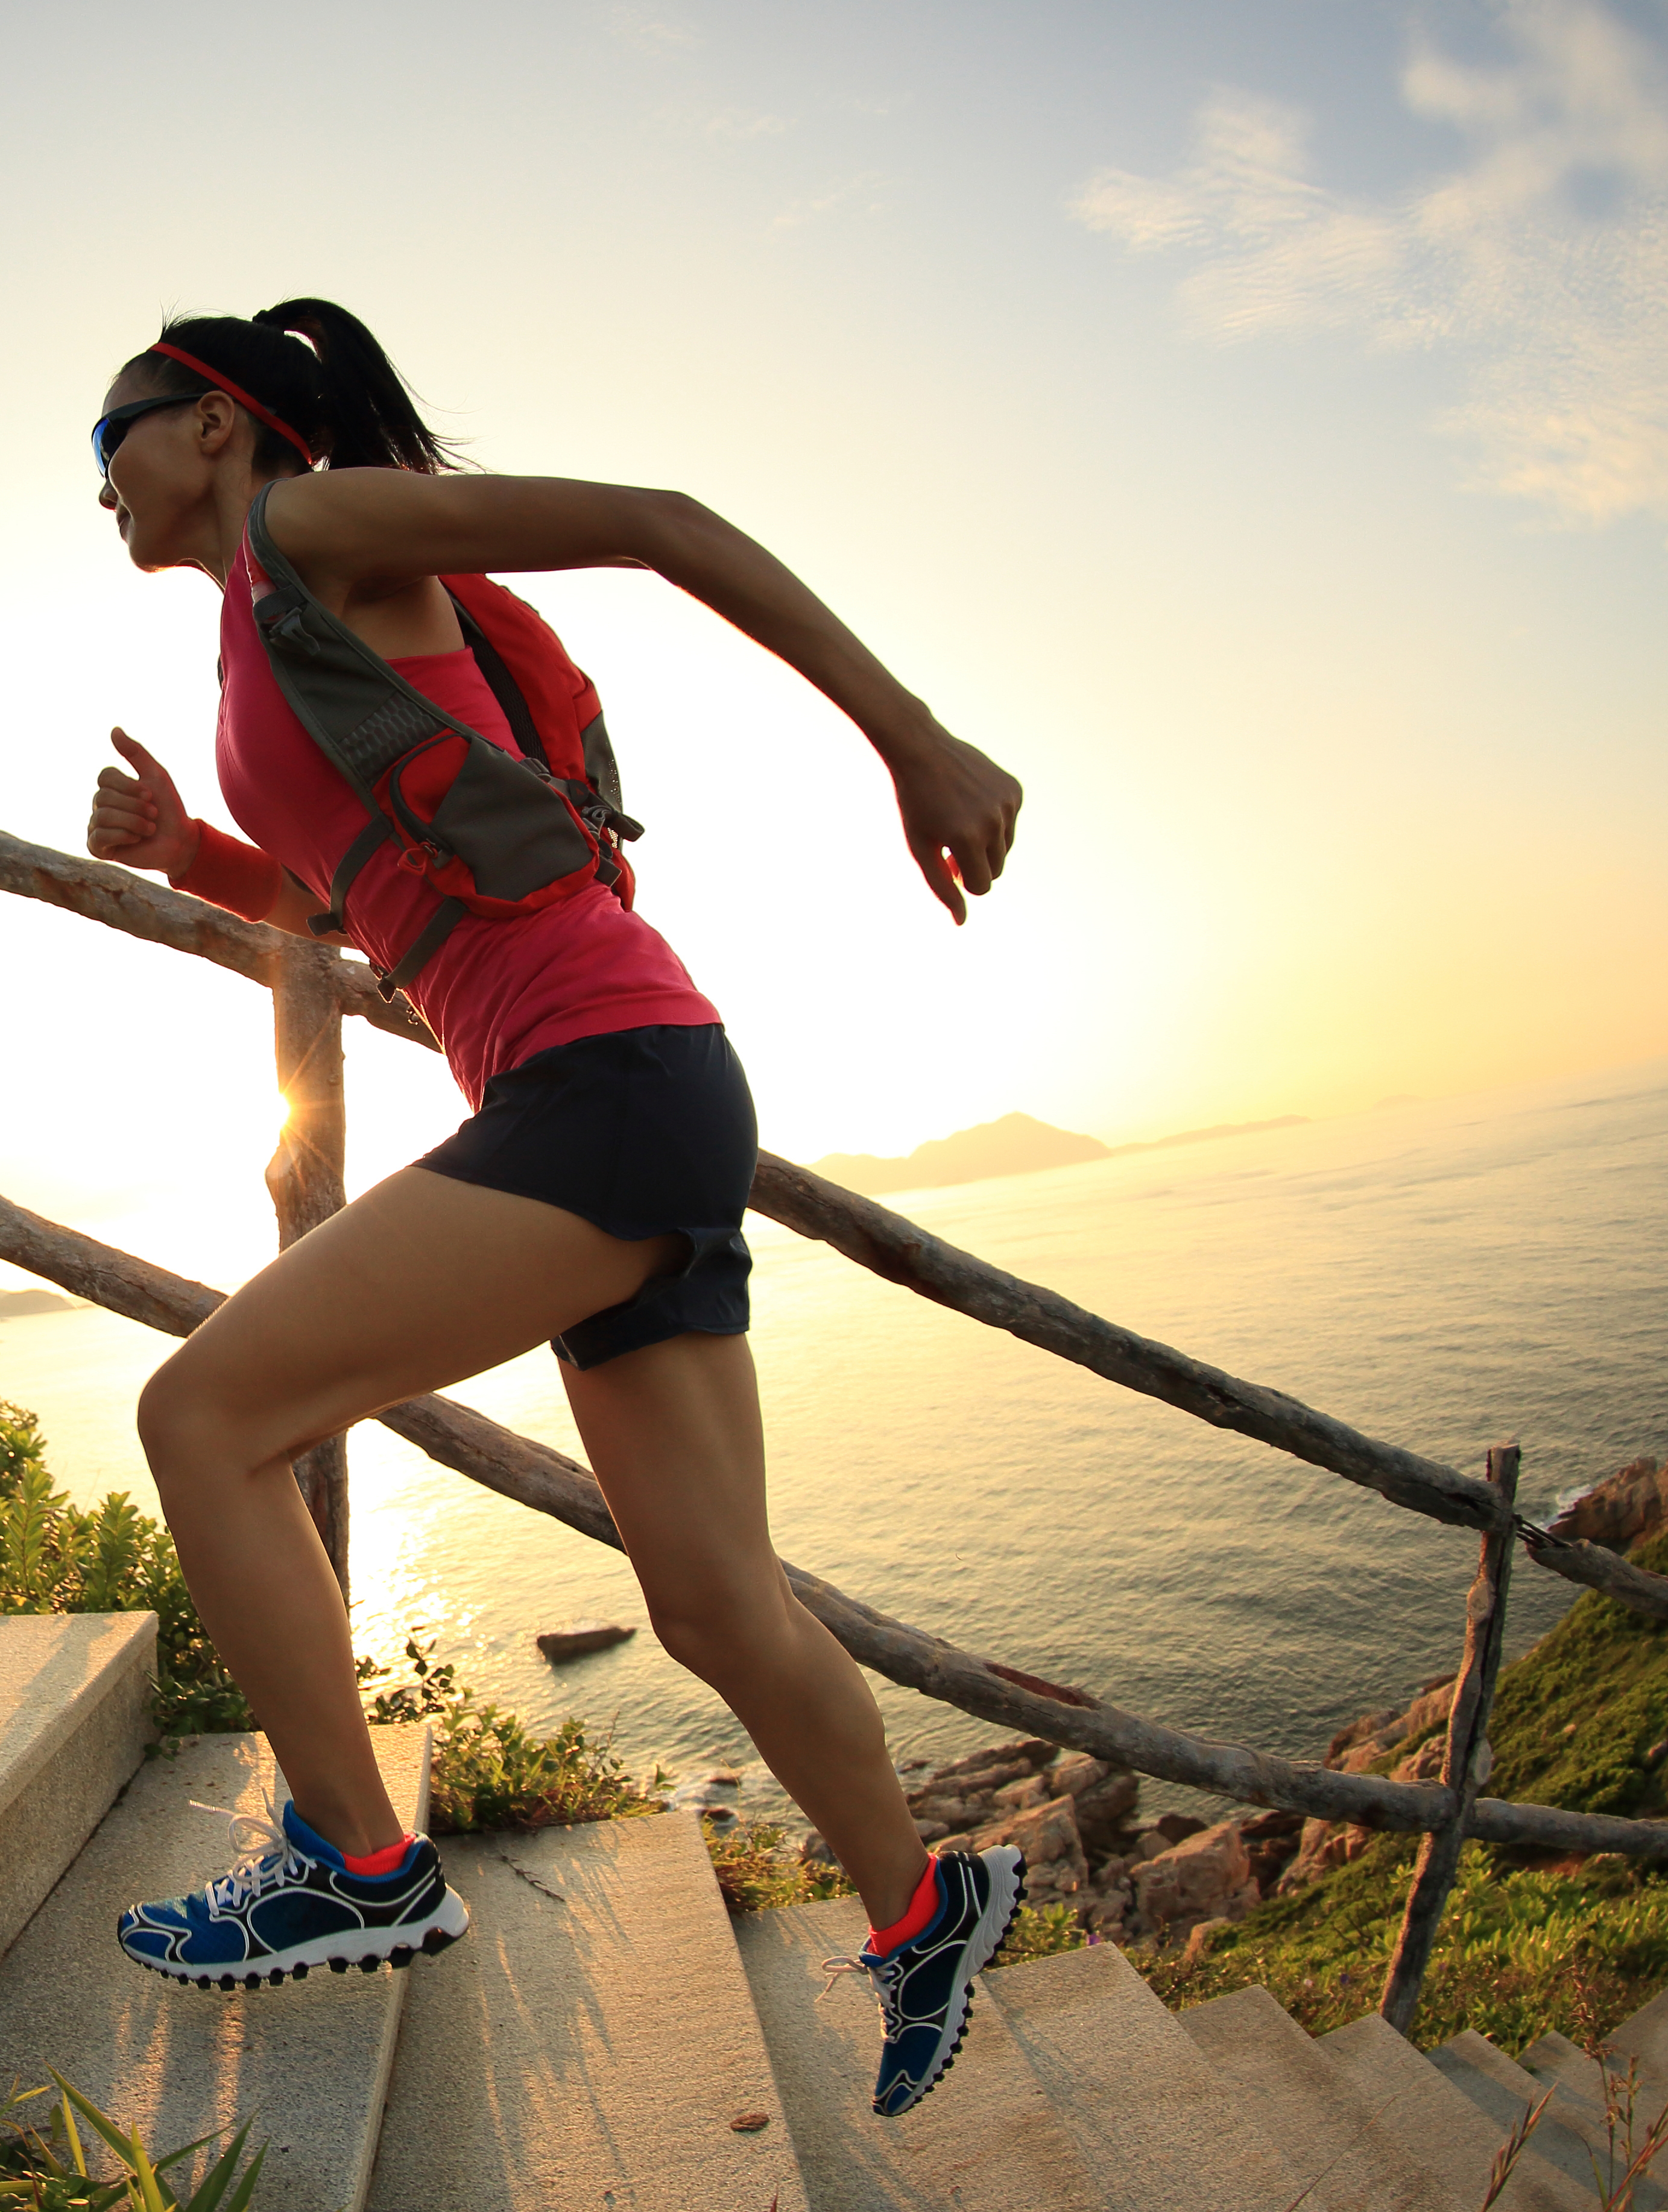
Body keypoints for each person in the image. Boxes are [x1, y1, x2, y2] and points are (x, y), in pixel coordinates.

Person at [80, 301, 1028, 2118]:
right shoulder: (255, 629)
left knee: (201, 1415)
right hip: (635, 1083)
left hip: (599, 1084)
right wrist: (186, 854)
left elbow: (663, 522)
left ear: (213, 422)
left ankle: (358, 1870)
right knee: (716, 1604)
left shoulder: (312, 523)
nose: (92, 483)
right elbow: (369, 886)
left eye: (107, 436)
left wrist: (916, 739)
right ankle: (927, 1909)